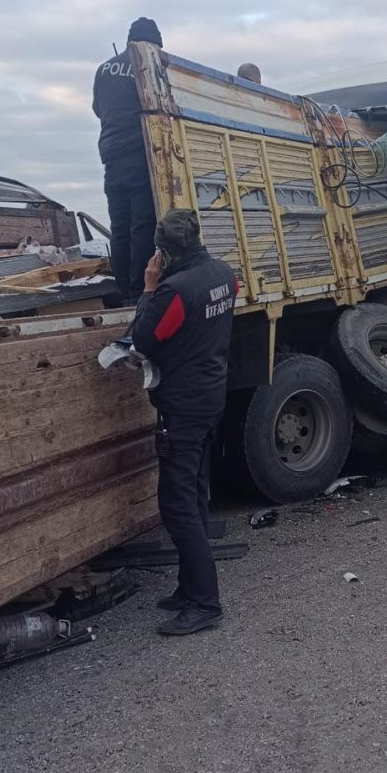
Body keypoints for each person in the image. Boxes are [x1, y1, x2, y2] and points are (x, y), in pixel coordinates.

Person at [131, 209, 237, 636]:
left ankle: (205, 603)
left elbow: (143, 338)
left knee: (176, 504)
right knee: (193, 492)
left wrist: (148, 289)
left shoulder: (174, 290)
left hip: (183, 406)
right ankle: (188, 586)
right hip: (211, 395)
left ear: (163, 252)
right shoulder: (224, 274)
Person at [92, 17, 162, 302]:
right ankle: (137, 292)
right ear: (151, 43)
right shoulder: (147, 65)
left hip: (111, 155)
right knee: (143, 225)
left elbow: (98, 109)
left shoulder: (103, 69)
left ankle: (121, 288)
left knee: (119, 227)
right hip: (138, 153)